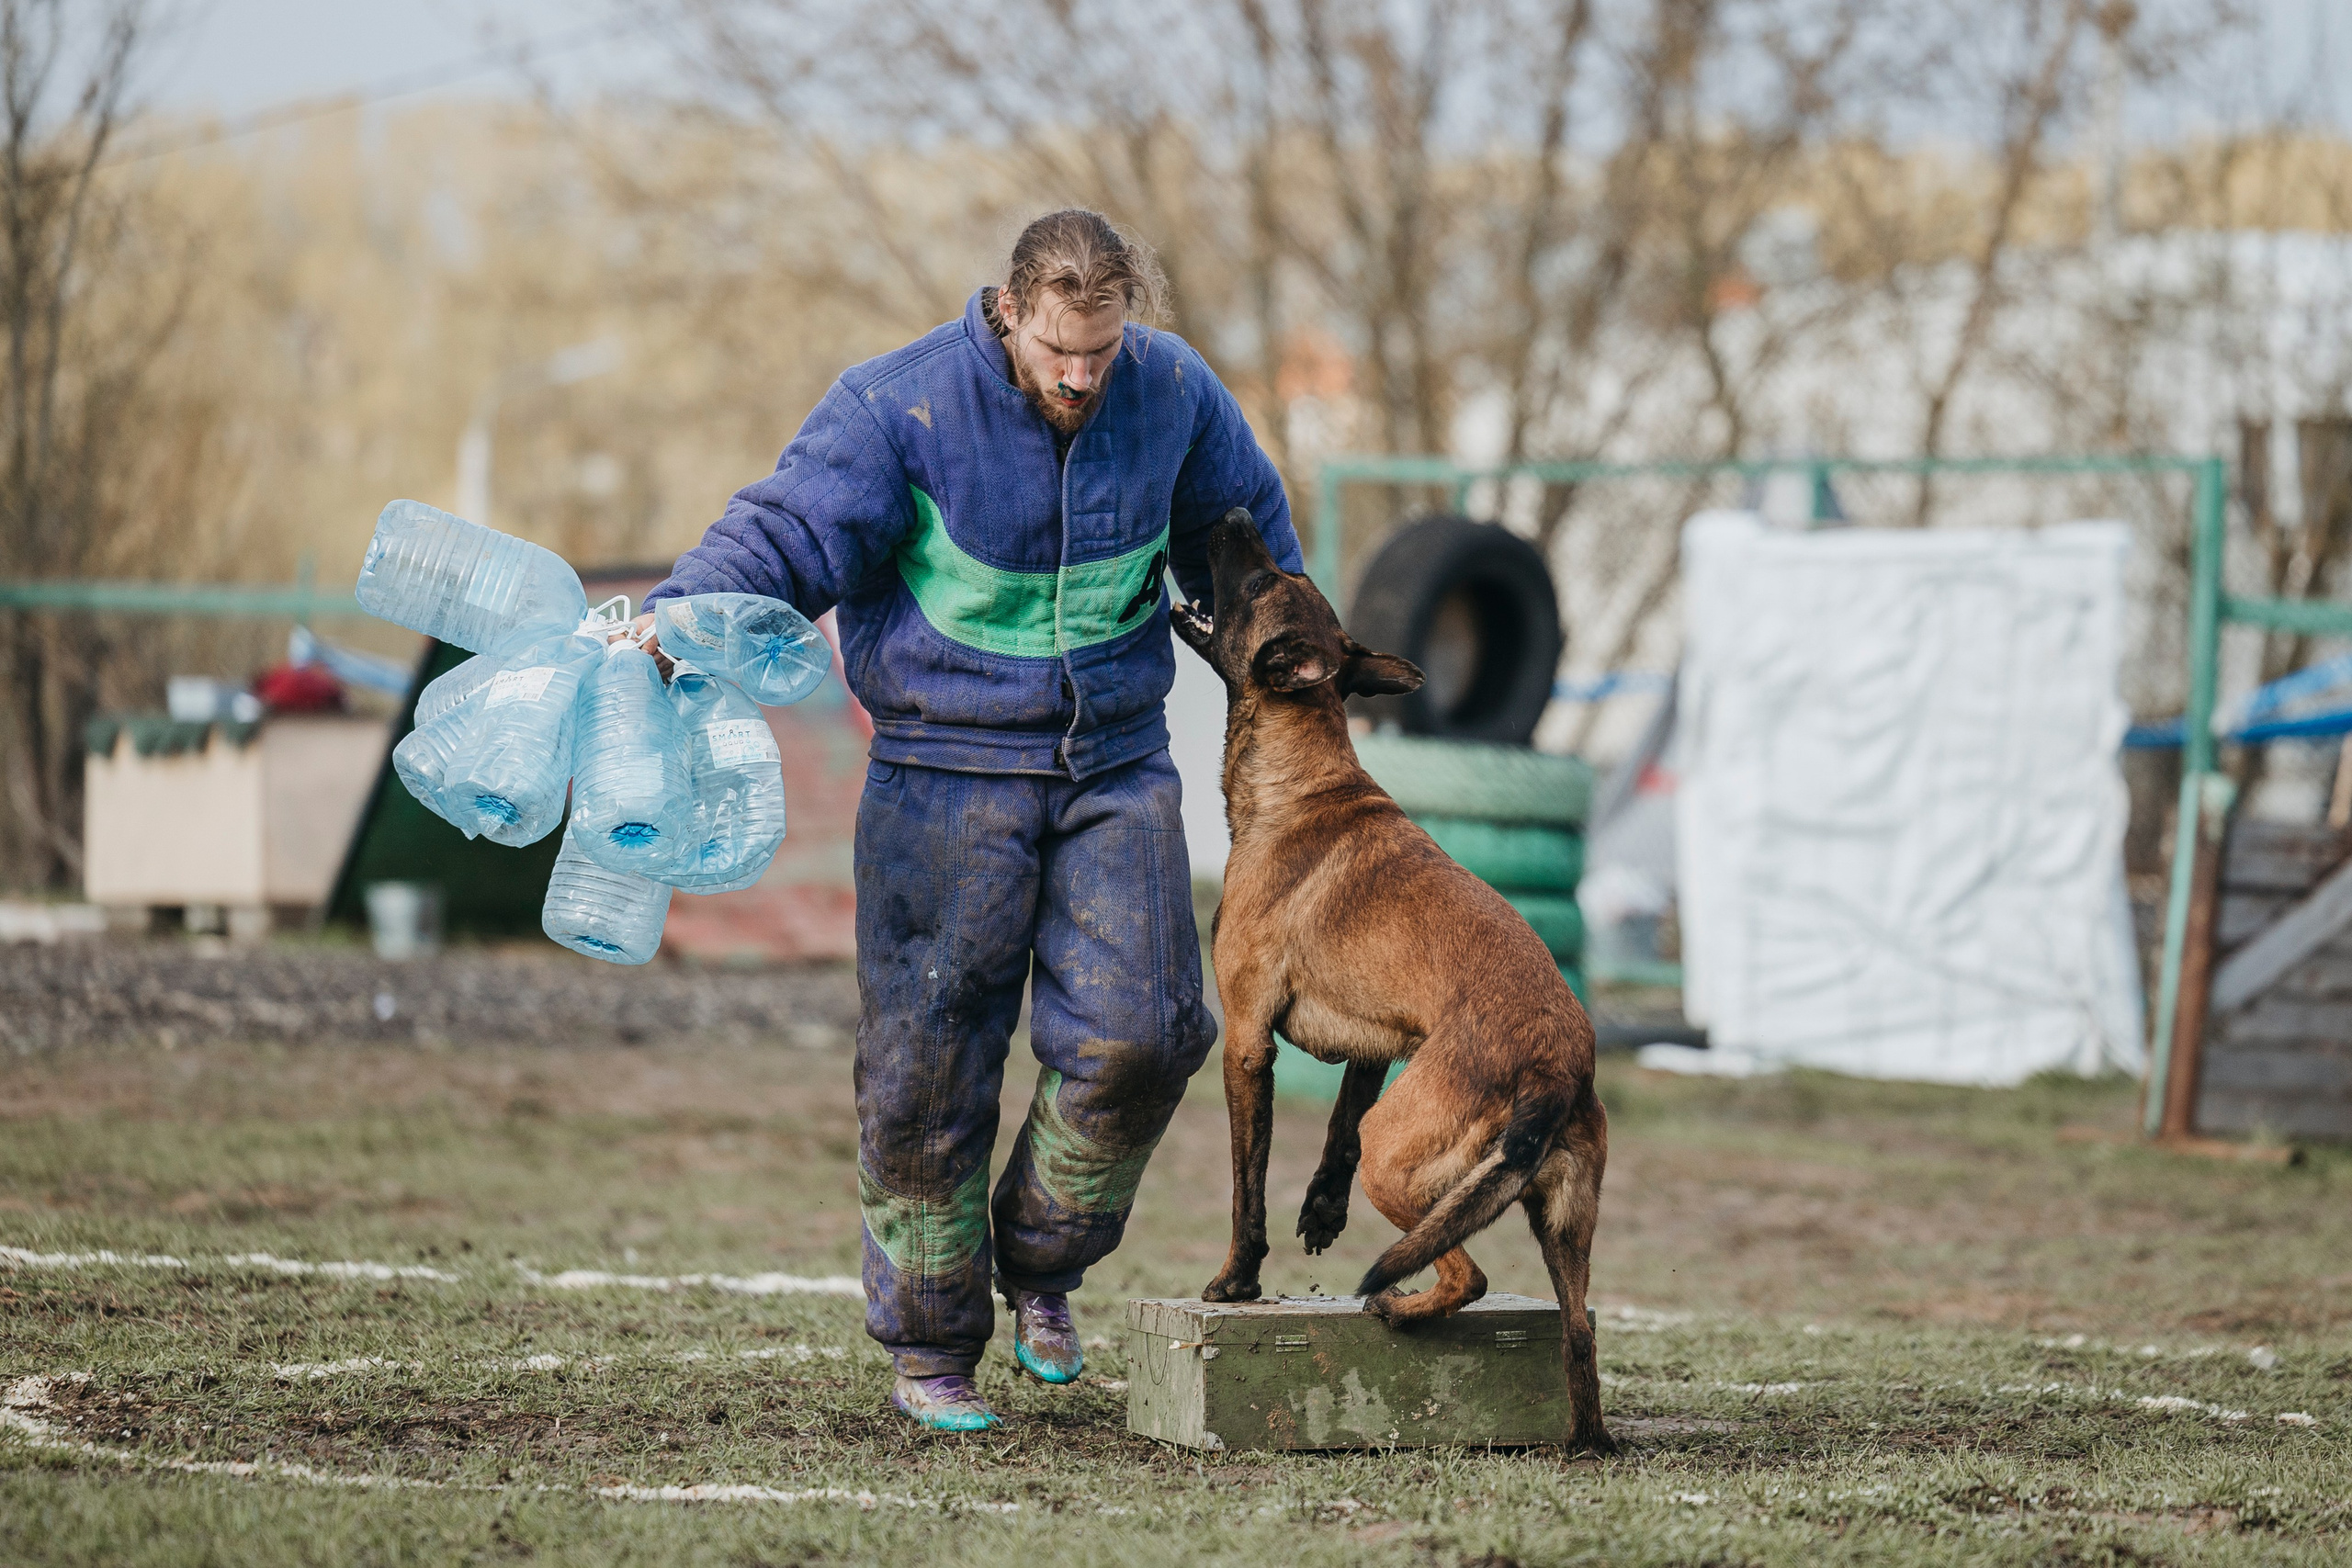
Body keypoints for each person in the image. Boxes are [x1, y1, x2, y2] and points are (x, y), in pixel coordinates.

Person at [632, 209, 1303, 1431]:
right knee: (927, 1069)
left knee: (1151, 1036)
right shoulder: (898, 407)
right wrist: (680, 619)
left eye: (1102, 351)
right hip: (942, 772)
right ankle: (932, 1341)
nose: (1081, 378)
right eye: (1058, 351)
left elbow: (1249, 547)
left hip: (1116, 766)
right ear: (1008, 312)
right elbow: (787, 530)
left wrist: (1300, 656)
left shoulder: (1173, 395)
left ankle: (1041, 1260)